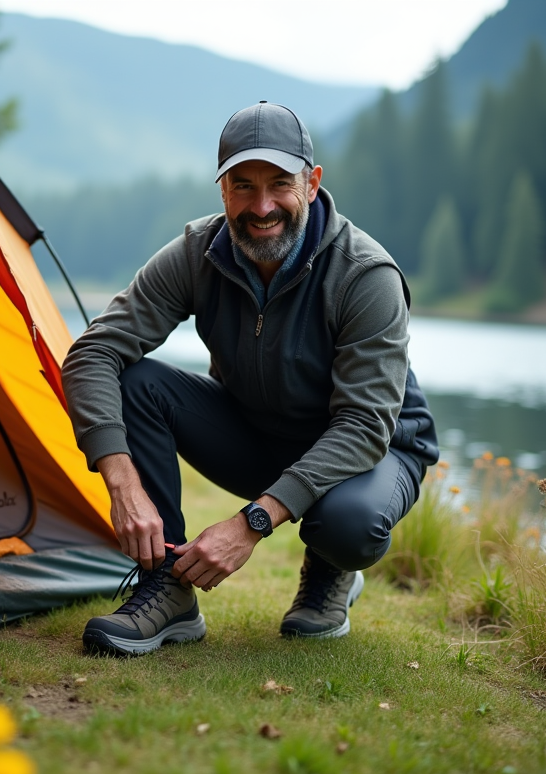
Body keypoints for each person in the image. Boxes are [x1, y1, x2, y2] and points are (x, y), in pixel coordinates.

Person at [61, 101, 439, 657]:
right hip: (260, 433)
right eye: (243, 186)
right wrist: (122, 481)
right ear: (222, 191)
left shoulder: (365, 275)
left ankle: (330, 567)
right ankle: (167, 590)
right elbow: (92, 353)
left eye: (279, 184)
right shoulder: (197, 253)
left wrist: (251, 523)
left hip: (375, 452)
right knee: (135, 382)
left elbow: (363, 426)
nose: (261, 207)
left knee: (348, 525)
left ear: (311, 184)